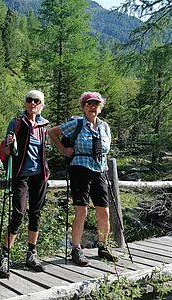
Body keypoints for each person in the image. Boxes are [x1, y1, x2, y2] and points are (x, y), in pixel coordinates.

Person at [48, 91, 117, 266]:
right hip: (80, 168)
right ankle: (76, 249)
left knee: (104, 212)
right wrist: (64, 150)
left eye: (96, 104)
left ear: (100, 108)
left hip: (100, 170)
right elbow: (52, 133)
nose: (93, 107)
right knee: (82, 211)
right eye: (89, 104)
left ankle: (103, 246)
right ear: (84, 107)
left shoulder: (104, 127)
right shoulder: (77, 123)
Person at [0, 90, 49, 278]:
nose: (33, 103)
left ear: (42, 105)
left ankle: (31, 254)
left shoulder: (44, 125)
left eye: (37, 101)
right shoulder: (17, 122)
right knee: (18, 214)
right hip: (21, 175)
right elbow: (7, 151)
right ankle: (4, 257)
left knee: (35, 213)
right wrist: (9, 145)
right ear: (25, 103)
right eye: (29, 100)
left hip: (40, 175)